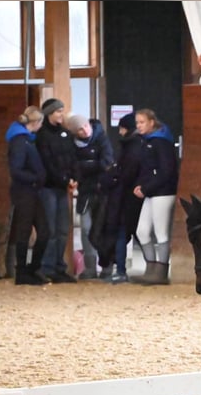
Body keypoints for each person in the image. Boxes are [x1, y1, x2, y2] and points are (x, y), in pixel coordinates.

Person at [90, 112, 144, 284]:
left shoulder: (131, 148)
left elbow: (123, 173)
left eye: (121, 128)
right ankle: (121, 268)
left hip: (124, 197)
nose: (119, 132)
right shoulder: (137, 145)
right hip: (128, 196)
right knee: (127, 233)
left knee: (120, 232)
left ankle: (120, 269)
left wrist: (108, 180)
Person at [65, 113, 114, 280]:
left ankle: (107, 264)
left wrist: (85, 167)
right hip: (86, 191)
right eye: (80, 129)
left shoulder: (101, 138)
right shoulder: (72, 145)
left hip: (102, 190)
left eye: (85, 126)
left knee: (103, 228)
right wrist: (90, 167)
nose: (85, 131)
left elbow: (106, 163)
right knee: (86, 228)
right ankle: (90, 266)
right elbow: (74, 167)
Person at [131, 108, 178, 285]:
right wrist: (141, 186)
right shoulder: (147, 142)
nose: (139, 126)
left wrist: (146, 187)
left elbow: (166, 171)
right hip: (151, 191)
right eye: (137, 123)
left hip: (163, 192)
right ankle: (150, 267)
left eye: (142, 122)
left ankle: (162, 269)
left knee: (161, 232)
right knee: (141, 230)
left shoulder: (161, 142)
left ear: (152, 122)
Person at [5, 106, 51, 285]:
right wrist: (34, 179)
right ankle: (22, 272)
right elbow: (15, 170)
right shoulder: (20, 141)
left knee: (44, 232)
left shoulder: (27, 140)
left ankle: (32, 268)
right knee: (24, 231)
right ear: (36, 123)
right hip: (24, 191)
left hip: (32, 191)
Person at [36, 98, 78, 283]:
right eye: (58, 111)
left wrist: (74, 178)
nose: (61, 114)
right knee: (51, 229)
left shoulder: (66, 134)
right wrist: (62, 179)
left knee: (62, 229)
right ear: (49, 114)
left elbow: (72, 157)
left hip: (63, 187)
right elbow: (47, 162)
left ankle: (59, 266)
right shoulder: (42, 135)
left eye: (62, 111)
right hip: (49, 187)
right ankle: (47, 266)